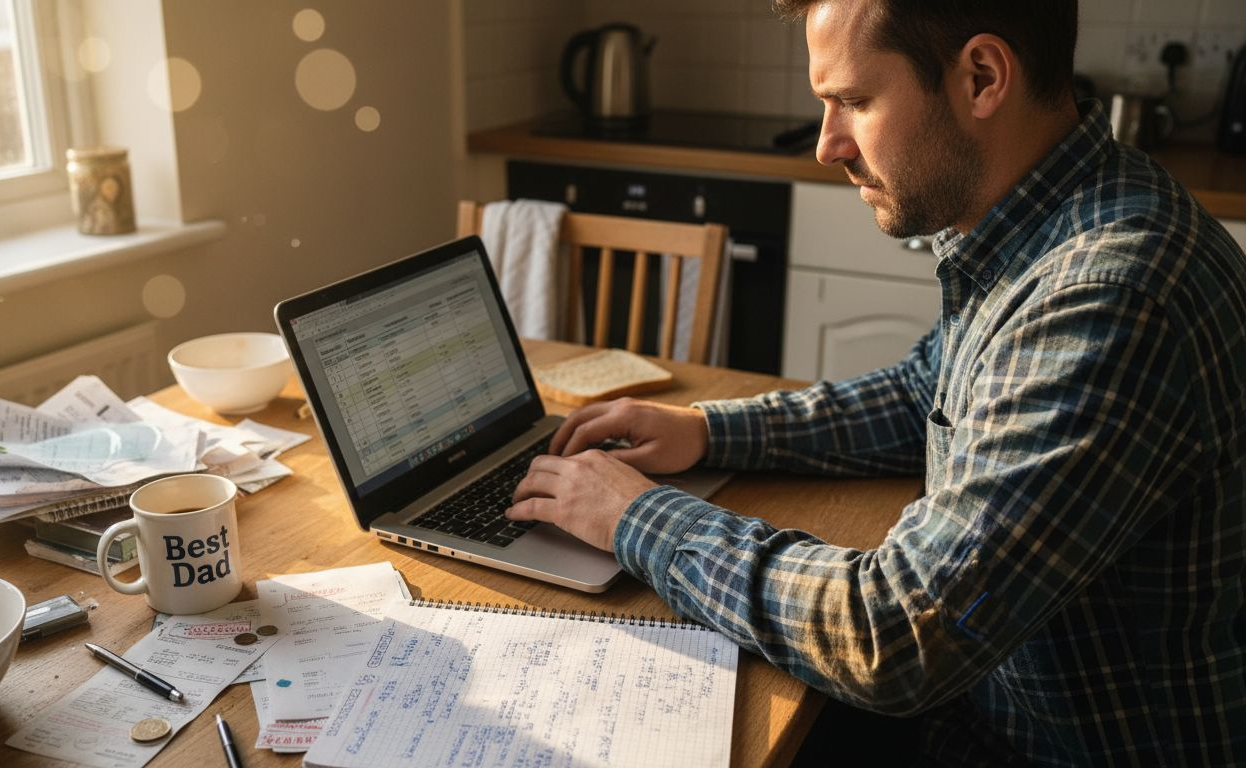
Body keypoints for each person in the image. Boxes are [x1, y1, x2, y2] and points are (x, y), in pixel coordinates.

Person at [506, 0, 1246, 764]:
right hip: (991, 712)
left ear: (982, 78)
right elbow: (925, 395)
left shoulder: (1110, 294)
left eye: (853, 102)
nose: (827, 145)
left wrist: (637, 518)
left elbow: (895, 636)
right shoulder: (1053, 217)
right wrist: (709, 430)